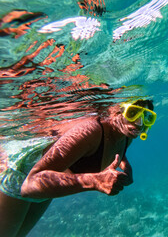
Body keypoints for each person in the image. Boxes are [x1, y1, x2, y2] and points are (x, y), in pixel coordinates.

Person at [0, 99, 157, 237]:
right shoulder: (90, 131)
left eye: (148, 116)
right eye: (133, 113)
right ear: (115, 111)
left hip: (52, 180)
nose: (139, 123)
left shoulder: (126, 134)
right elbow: (30, 184)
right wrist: (94, 181)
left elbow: (117, 150)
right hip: (20, 174)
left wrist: (126, 167)